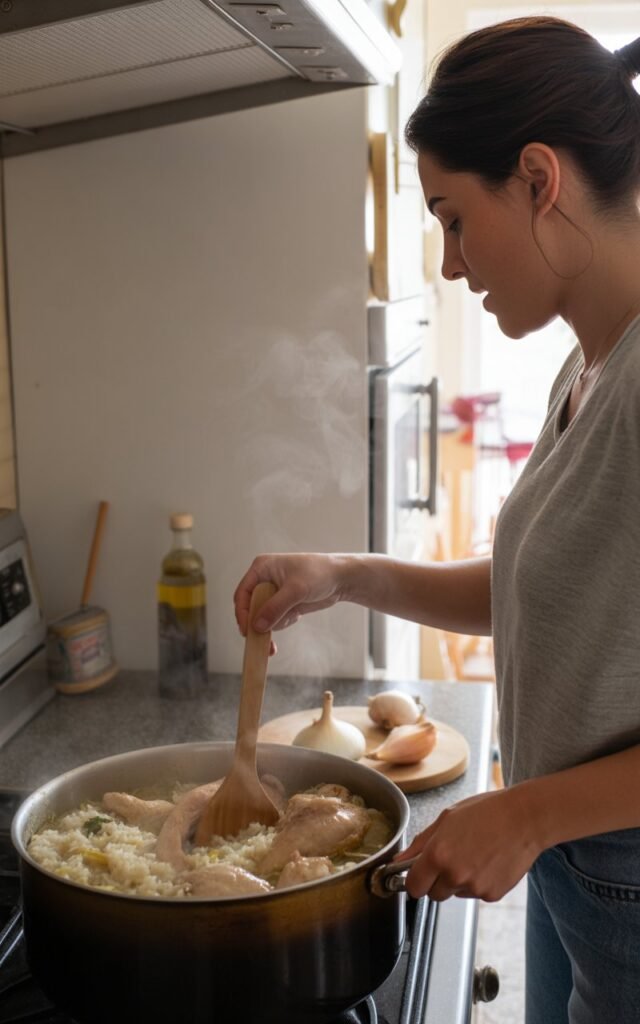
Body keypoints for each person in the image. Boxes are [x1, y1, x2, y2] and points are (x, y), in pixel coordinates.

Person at [234, 17, 640, 1024]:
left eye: (454, 218)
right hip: (575, 859)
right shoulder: (590, 362)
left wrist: (528, 814)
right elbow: (553, 591)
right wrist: (349, 573)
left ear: (539, 179)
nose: (452, 265)